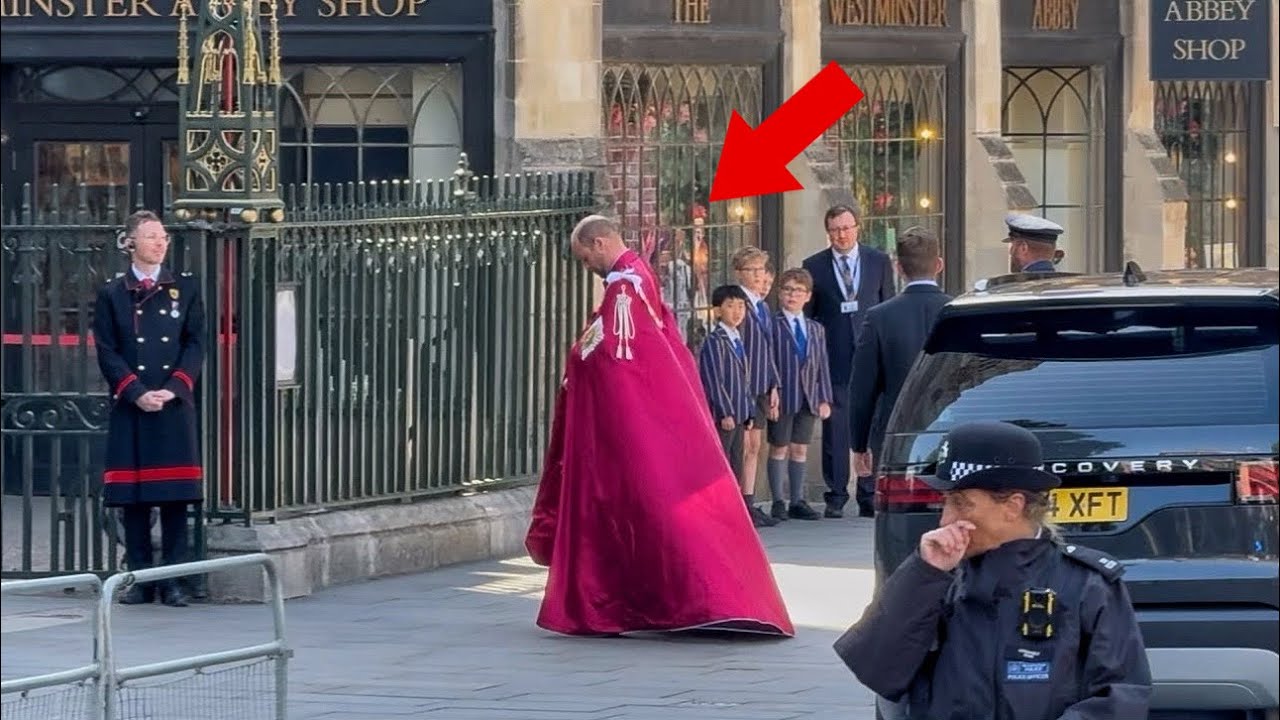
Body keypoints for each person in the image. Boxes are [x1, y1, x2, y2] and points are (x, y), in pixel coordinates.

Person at [525, 214, 794, 638]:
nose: (586, 267)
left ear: (599, 243)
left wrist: (575, 364)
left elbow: (618, 354)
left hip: (631, 429)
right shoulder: (637, 274)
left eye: (584, 258)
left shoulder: (624, 287)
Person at [833, 421, 1152, 719]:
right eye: (945, 502)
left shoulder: (1087, 584)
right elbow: (876, 669)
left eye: (961, 503)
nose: (945, 519)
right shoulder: (935, 577)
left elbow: (1121, 695)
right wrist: (922, 574)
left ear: (1013, 506)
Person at [94, 210, 206, 607]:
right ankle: (140, 578)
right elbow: (107, 350)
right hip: (132, 405)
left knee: (175, 498)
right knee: (135, 500)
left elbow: (195, 343)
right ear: (131, 243)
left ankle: (173, 579)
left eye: (164, 237)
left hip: (173, 405)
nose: (160, 243)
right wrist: (135, 391)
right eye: (151, 237)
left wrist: (175, 388)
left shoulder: (186, 289)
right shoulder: (112, 293)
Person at [801, 204, 895, 518]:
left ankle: (868, 494)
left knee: (869, 427)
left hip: (869, 355)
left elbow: (887, 305)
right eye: (835, 230)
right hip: (834, 356)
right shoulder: (813, 266)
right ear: (828, 232)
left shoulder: (878, 261)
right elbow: (809, 318)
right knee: (836, 429)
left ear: (858, 228)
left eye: (846, 228)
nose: (842, 235)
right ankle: (836, 494)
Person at [850, 227, 952, 498]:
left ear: (898, 267)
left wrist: (859, 444)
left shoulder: (879, 317)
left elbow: (862, 390)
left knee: (899, 514)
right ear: (939, 264)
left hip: (896, 432)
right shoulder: (957, 312)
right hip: (952, 429)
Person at [764, 268, 832, 522]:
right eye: (787, 290)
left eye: (798, 291)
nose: (792, 295)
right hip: (783, 394)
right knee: (779, 446)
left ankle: (797, 499)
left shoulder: (816, 329)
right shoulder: (772, 324)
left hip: (808, 396)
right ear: (780, 294)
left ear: (808, 296)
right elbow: (768, 360)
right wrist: (772, 389)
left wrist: (824, 397)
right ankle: (778, 501)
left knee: (800, 448)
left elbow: (821, 364)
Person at [731, 246, 781, 527]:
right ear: (740, 273)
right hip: (744, 386)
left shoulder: (762, 306)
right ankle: (739, 501)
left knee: (756, 446)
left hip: (763, 384)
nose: (758, 276)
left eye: (761, 270)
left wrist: (775, 384)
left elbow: (769, 347)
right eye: (752, 271)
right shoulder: (738, 304)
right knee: (744, 444)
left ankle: (750, 500)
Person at [697, 285, 757, 505]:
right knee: (723, 462)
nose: (737, 311)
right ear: (718, 310)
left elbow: (745, 379)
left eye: (741, 306)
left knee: (737, 463)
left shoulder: (738, 338)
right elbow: (713, 379)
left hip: (741, 414)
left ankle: (736, 505)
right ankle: (722, 504)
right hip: (726, 415)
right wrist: (725, 412)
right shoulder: (715, 341)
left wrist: (749, 412)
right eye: (730, 306)